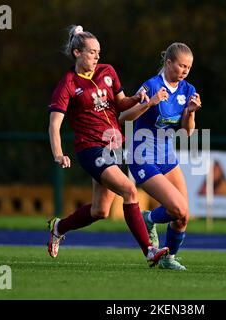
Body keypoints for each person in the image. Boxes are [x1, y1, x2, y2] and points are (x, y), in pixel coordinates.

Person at [46, 25, 169, 267]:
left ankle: (59, 227)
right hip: (90, 148)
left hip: (113, 146)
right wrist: (59, 154)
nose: (97, 57)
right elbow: (54, 125)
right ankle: (149, 251)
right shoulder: (68, 83)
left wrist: (140, 100)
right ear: (77, 53)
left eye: (98, 53)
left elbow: (121, 103)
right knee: (130, 191)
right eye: (92, 52)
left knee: (100, 211)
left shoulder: (107, 71)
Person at [119, 42, 202, 270]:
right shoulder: (152, 85)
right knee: (176, 208)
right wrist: (151, 102)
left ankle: (168, 258)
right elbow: (123, 118)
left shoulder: (187, 90)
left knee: (183, 215)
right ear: (168, 63)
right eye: (181, 65)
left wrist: (191, 113)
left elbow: (186, 132)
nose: (185, 71)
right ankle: (149, 220)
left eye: (189, 67)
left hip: (166, 154)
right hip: (141, 154)